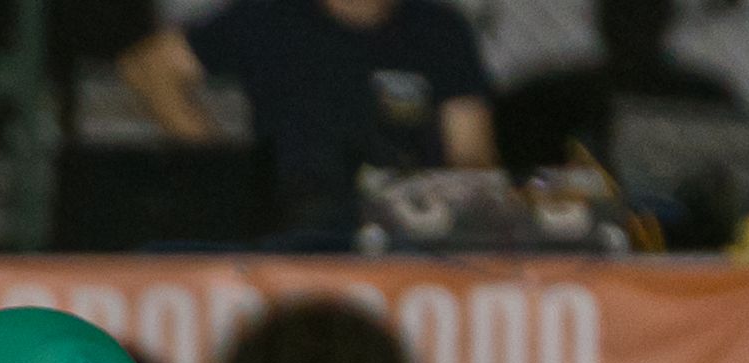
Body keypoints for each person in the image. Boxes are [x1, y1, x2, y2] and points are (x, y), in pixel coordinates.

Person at [120, 0, 496, 235]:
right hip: (292, 220)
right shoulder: (270, 16)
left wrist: (452, 210)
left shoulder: (440, 30)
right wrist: (218, 164)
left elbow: (471, 153)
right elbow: (149, 67)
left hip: (404, 226)